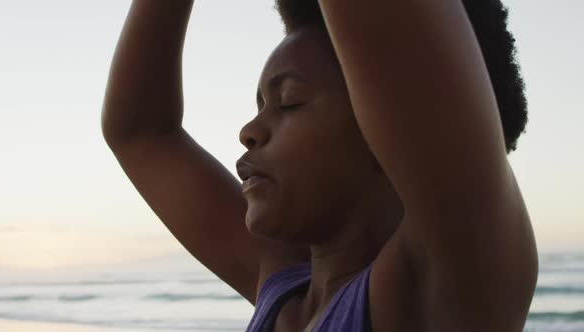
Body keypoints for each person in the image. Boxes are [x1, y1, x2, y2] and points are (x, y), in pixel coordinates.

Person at [101, 1, 538, 331]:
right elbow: (141, 133)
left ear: (387, 127)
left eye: (288, 102)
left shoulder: (437, 281)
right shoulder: (282, 290)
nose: (249, 130)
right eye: (260, 105)